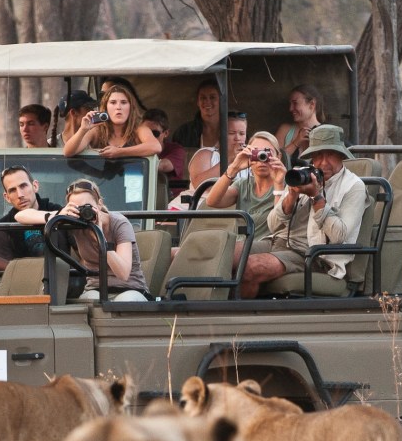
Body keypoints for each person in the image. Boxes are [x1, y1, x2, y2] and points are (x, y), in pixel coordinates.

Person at [263, 124, 368, 290]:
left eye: (331, 155)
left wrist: (316, 197)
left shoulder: (353, 186)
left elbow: (339, 236)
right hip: (282, 242)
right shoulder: (303, 174)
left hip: (316, 257)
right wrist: (292, 195)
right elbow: (272, 225)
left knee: (252, 267)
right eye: (318, 155)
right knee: (231, 256)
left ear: (341, 156)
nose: (323, 162)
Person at [200, 131, 288, 299]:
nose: (263, 158)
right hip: (243, 244)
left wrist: (279, 183)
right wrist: (234, 167)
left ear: (279, 157)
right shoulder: (243, 184)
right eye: (257, 153)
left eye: (268, 153)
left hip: (270, 243)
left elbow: (279, 222)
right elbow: (212, 201)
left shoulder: (285, 184)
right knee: (179, 252)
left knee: (218, 251)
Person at [33, 180, 146, 302]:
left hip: (129, 289)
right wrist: (58, 215)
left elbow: (123, 274)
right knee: (92, 302)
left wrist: (99, 236)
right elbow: (21, 216)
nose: (83, 213)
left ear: (99, 204)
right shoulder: (74, 225)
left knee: (123, 302)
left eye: (87, 207)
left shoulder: (119, 223)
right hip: (95, 289)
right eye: (77, 208)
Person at [61, 82, 161, 159]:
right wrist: (83, 129)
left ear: (131, 107)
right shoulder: (97, 130)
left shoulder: (139, 129)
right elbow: (68, 152)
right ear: (105, 107)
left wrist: (119, 152)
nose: (118, 107)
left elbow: (155, 147)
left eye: (124, 102)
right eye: (113, 103)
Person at [0, 166, 63, 264]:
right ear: (7, 197)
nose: (20, 194)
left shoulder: (58, 211)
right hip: (22, 278)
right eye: (12, 190)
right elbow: (6, 272)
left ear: (35, 186)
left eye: (23, 186)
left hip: (61, 276)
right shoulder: (2, 228)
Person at [170, 77, 223, 153]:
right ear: (197, 102)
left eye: (212, 97)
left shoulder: (233, 130)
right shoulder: (183, 132)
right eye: (203, 98)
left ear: (221, 101)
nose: (207, 101)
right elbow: (177, 161)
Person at [275, 84, 324, 161]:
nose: (290, 109)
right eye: (290, 104)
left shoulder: (326, 131)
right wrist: (296, 142)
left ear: (312, 104)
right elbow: (274, 160)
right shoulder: (285, 130)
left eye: (295, 103)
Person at [144, 108, 190, 186]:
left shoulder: (177, 150)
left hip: (170, 197)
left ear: (166, 133)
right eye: (145, 132)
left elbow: (163, 166)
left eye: (155, 133)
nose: (150, 137)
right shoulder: (135, 147)